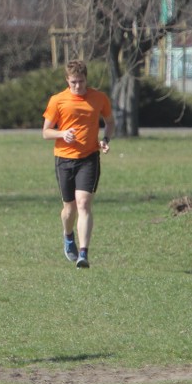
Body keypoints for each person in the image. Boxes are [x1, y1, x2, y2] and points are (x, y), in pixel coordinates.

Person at [42, 60, 115, 269]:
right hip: (64, 159)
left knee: (83, 204)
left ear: (86, 79)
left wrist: (105, 140)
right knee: (69, 209)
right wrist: (62, 133)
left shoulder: (98, 98)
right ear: (67, 80)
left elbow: (110, 122)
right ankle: (68, 236)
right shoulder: (58, 100)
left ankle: (83, 254)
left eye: (81, 82)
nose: (77, 87)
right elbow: (46, 132)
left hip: (89, 158)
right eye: (73, 82)